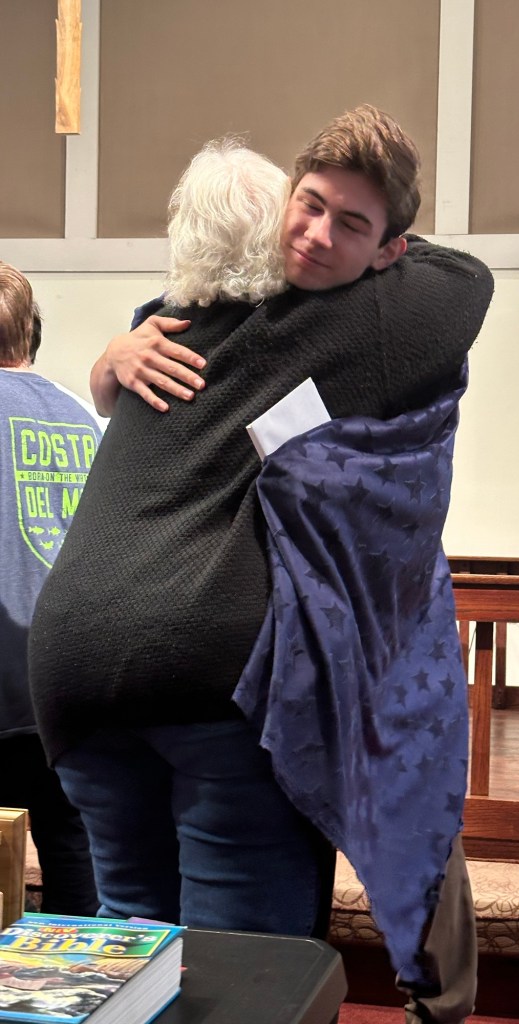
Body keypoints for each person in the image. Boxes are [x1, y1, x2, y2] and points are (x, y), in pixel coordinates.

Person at [29, 109, 494, 1024]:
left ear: (390, 249)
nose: (316, 235)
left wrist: (110, 361)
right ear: (283, 196)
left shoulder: (172, 318)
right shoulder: (371, 319)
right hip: (202, 671)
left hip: (72, 659)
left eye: (349, 224)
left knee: (129, 958)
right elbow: (466, 278)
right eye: (307, 204)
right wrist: (377, 241)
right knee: (242, 973)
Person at [0, 261, 101, 916]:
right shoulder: (83, 417)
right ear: (32, 333)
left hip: (3, 687)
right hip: (73, 686)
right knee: (74, 854)